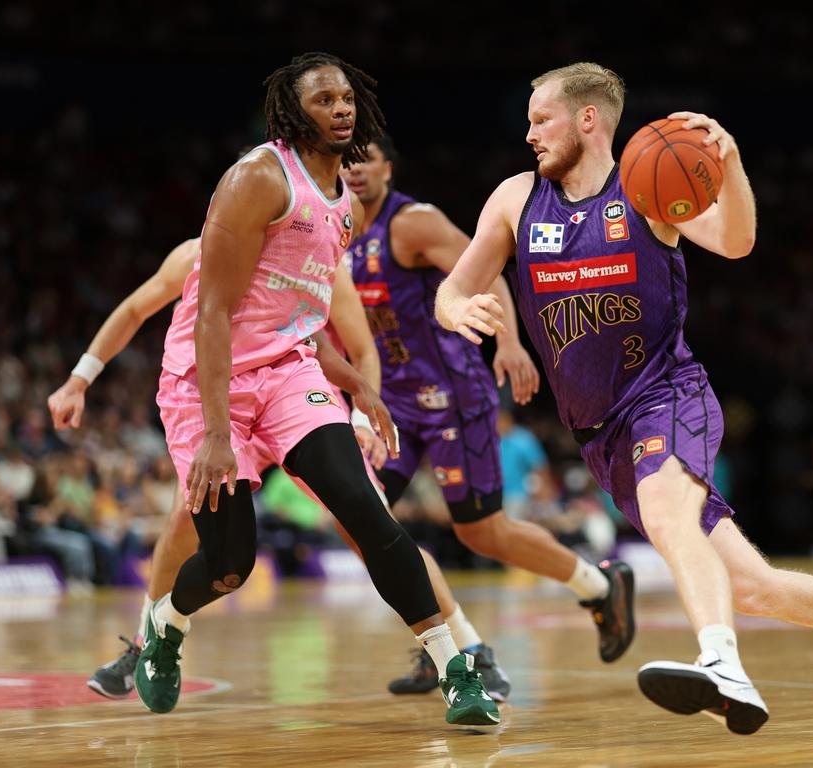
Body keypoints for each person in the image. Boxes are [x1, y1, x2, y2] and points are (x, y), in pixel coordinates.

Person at [434, 62, 813, 734]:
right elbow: (452, 288)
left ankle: (721, 662)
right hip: (601, 435)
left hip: (667, 397)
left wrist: (732, 163)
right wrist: (457, 313)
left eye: (542, 118)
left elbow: (737, 241)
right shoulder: (515, 200)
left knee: (667, 515)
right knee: (754, 587)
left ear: (587, 119)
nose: (530, 133)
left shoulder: (649, 185)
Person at [135, 52, 496, 724]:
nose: (340, 109)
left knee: (368, 511)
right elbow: (213, 311)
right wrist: (216, 432)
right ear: (292, 113)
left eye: (346, 99)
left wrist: (360, 384)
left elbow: (300, 317)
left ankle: (458, 672)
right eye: (323, 99)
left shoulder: (341, 206)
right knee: (230, 564)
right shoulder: (257, 179)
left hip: (289, 374)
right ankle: (165, 625)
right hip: (205, 379)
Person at [51, 232, 510, 703]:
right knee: (186, 519)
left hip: (297, 389)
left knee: (371, 519)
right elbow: (133, 311)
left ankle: (469, 647)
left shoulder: (321, 258)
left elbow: (362, 349)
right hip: (219, 402)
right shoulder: (195, 253)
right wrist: (78, 379)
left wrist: (358, 415)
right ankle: (149, 645)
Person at [341, 136, 637, 690]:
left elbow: (487, 267)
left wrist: (508, 343)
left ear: (389, 166)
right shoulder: (337, 230)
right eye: (346, 161)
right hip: (393, 403)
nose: (355, 171)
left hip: (455, 395)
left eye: (367, 160)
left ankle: (598, 586)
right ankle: (454, 647)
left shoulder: (413, 223)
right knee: (358, 520)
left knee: (482, 533)